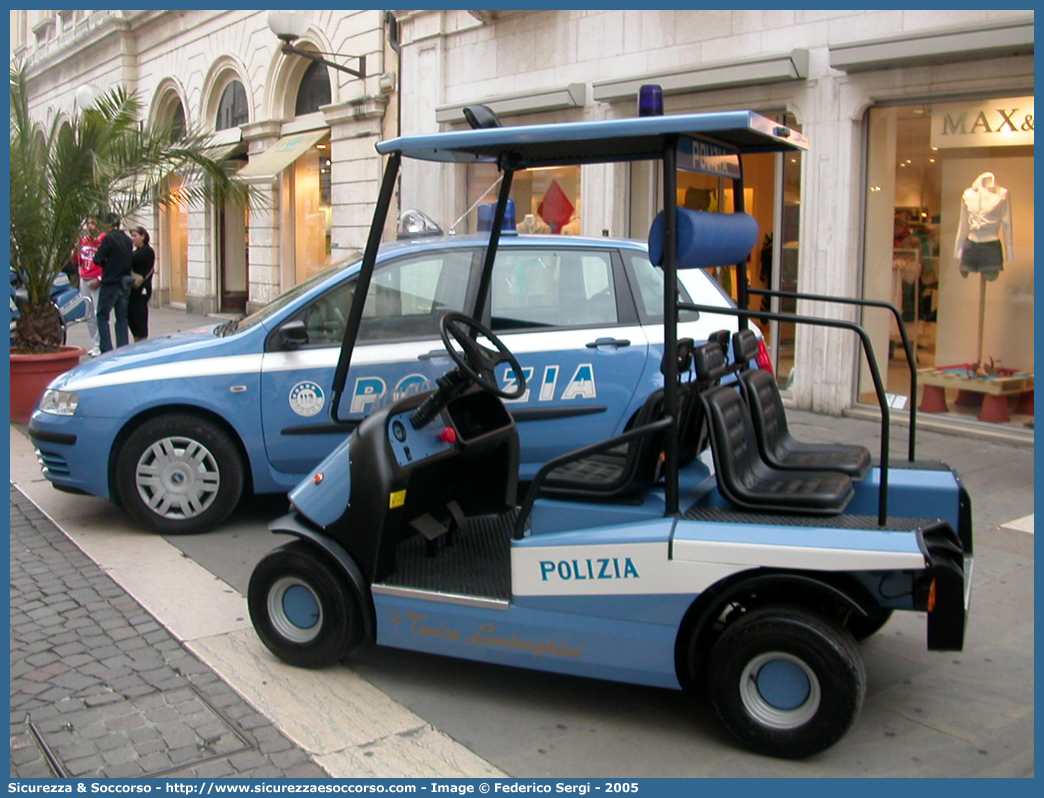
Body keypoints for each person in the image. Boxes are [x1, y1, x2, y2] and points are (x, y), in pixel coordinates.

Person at [953, 171, 1013, 281]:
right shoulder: (968, 194)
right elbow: (963, 223)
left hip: (991, 247)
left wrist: (1009, 252)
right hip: (970, 245)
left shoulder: (1002, 193)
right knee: (965, 274)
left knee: (990, 277)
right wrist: (958, 250)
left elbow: (1007, 224)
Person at [92, 213, 134, 352]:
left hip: (110, 282)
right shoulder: (128, 240)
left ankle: (107, 349)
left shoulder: (109, 238)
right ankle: (123, 348)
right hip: (125, 282)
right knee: (122, 318)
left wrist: (106, 262)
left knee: (102, 316)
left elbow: (97, 258)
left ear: (108, 225)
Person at [72, 217, 105, 356]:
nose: (90, 226)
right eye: (88, 224)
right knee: (89, 314)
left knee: (98, 312)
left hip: (95, 279)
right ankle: (95, 343)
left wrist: (99, 278)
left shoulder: (102, 240)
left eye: (92, 223)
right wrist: (76, 249)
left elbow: (107, 261)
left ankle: (102, 343)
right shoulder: (83, 241)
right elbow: (75, 260)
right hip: (84, 278)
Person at [128, 226, 155, 342]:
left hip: (142, 289)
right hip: (133, 289)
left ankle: (142, 341)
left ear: (143, 236)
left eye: (135, 236)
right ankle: (137, 339)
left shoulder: (147, 251)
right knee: (131, 317)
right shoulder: (135, 252)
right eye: (132, 236)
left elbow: (131, 260)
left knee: (140, 316)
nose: (133, 239)